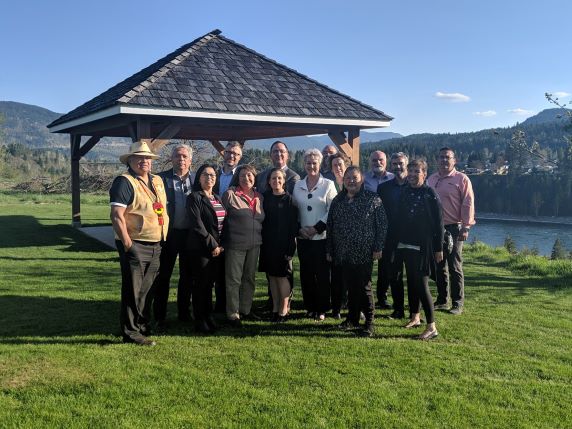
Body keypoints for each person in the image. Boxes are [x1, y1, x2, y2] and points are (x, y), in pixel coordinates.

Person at [109, 141, 169, 346]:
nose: (145, 161)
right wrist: (128, 244)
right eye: (140, 158)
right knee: (132, 290)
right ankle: (131, 332)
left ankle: (142, 325)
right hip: (135, 243)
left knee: (147, 289)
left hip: (156, 244)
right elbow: (117, 216)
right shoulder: (124, 182)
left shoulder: (157, 180)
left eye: (148, 158)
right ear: (130, 160)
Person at [327, 166, 387, 337]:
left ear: (362, 180)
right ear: (343, 181)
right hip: (343, 251)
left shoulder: (372, 198)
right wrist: (330, 249)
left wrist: (378, 247)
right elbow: (330, 225)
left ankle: (369, 322)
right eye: (348, 178)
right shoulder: (338, 200)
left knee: (364, 287)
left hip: (364, 252)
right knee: (350, 287)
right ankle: (352, 319)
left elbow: (382, 225)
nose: (351, 181)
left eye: (355, 178)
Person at [395, 159, 443, 340]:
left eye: (417, 171)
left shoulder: (430, 193)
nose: (413, 175)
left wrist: (438, 249)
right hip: (404, 243)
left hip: (423, 246)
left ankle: (432, 327)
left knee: (422, 285)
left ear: (424, 173)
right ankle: (415, 316)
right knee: (412, 282)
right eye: (411, 171)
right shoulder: (405, 191)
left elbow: (439, 223)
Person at [427, 147, 475, 315]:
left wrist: (466, 226)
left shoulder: (461, 179)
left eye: (448, 157)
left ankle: (457, 303)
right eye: (441, 157)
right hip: (435, 229)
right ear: (437, 160)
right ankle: (441, 299)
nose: (444, 160)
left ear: (454, 160)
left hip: (454, 227)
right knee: (438, 265)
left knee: (454, 266)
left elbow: (468, 203)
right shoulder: (431, 179)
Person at [292, 148, 337, 321]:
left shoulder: (328, 185)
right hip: (303, 238)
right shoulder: (297, 185)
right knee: (307, 274)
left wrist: (316, 228)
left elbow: (332, 210)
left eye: (314, 163)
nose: (311, 166)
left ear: (320, 164)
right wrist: (300, 229)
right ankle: (310, 307)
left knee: (323, 275)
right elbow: (294, 210)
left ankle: (323, 308)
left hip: (321, 238)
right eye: (308, 163)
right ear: (304, 164)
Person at [152, 144, 194, 328]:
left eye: (185, 156)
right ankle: (160, 315)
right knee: (163, 276)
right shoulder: (160, 179)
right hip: (168, 235)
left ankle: (184, 312)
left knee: (187, 276)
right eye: (178, 156)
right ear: (172, 159)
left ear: (190, 160)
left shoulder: (197, 180)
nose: (181, 159)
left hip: (190, 235)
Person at [222, 164, 265, 325]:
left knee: (249, 278)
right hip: (235, 244)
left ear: (254, 178)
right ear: (237, 178)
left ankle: (246, 310)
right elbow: (221, 220)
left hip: (255, 244)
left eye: (249, 176)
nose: (246, 179)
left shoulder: (260, 197)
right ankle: (233, 313)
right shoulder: (230, 195)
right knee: (234, 280)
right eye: (242, 176)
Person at [186, 164, 226, 334]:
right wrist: (213, 244)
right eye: (205, 174)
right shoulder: (194, 197)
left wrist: (221, 244)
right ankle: (200, 319)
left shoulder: (217, 197)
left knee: (209, 284)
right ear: (199, 178)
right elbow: (197, 225)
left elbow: (223, 223)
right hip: (201, 248)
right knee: (200, 285)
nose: (209, 178)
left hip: (217, 249)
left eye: (212, 175)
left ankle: (209, 315)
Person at [258, 168, 298, 322]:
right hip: (267, 244)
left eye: (280, 178)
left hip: (283, 245)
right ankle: (275, 308)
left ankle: (283, 310)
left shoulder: (290, 200)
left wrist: (290, 249)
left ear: (284, 180)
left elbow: (293, 227)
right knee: (272, 277)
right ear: (269, 181)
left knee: (282, 278)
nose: (276, 181)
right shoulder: (265, 198)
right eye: (273, 178)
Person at [377, 152, 409, 319]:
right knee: (394, 275)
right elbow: (379, 215)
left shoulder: (416, 185)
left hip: (412, 238)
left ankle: (415, 311)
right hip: (390, 239)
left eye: (401, 163)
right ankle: (398, 310)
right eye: (395, 163)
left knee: (413, 277)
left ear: (407, 164)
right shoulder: (383, 188)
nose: (397, 166)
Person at [212, 141, 243, 312]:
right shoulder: (214, 174)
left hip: (234, 229)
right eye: (229, 152)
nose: (232, 156)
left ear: (240, 157)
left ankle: (231, 305)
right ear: (224, 153)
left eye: (236, 154)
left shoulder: (242, 176)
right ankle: (219, 305)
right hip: (214, 228)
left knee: (232, 271)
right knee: (216, 269)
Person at [364, 150, 395, 309]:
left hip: (388, 226)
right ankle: (364, 295)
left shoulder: (393, 178)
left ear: (386, 161)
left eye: (381, 160)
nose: (378, 163)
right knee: (366, 263)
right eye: (374, 160)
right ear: (370, 162)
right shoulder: (364, 178)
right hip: (368, 225)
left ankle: (382, 297)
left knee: (386, 265)